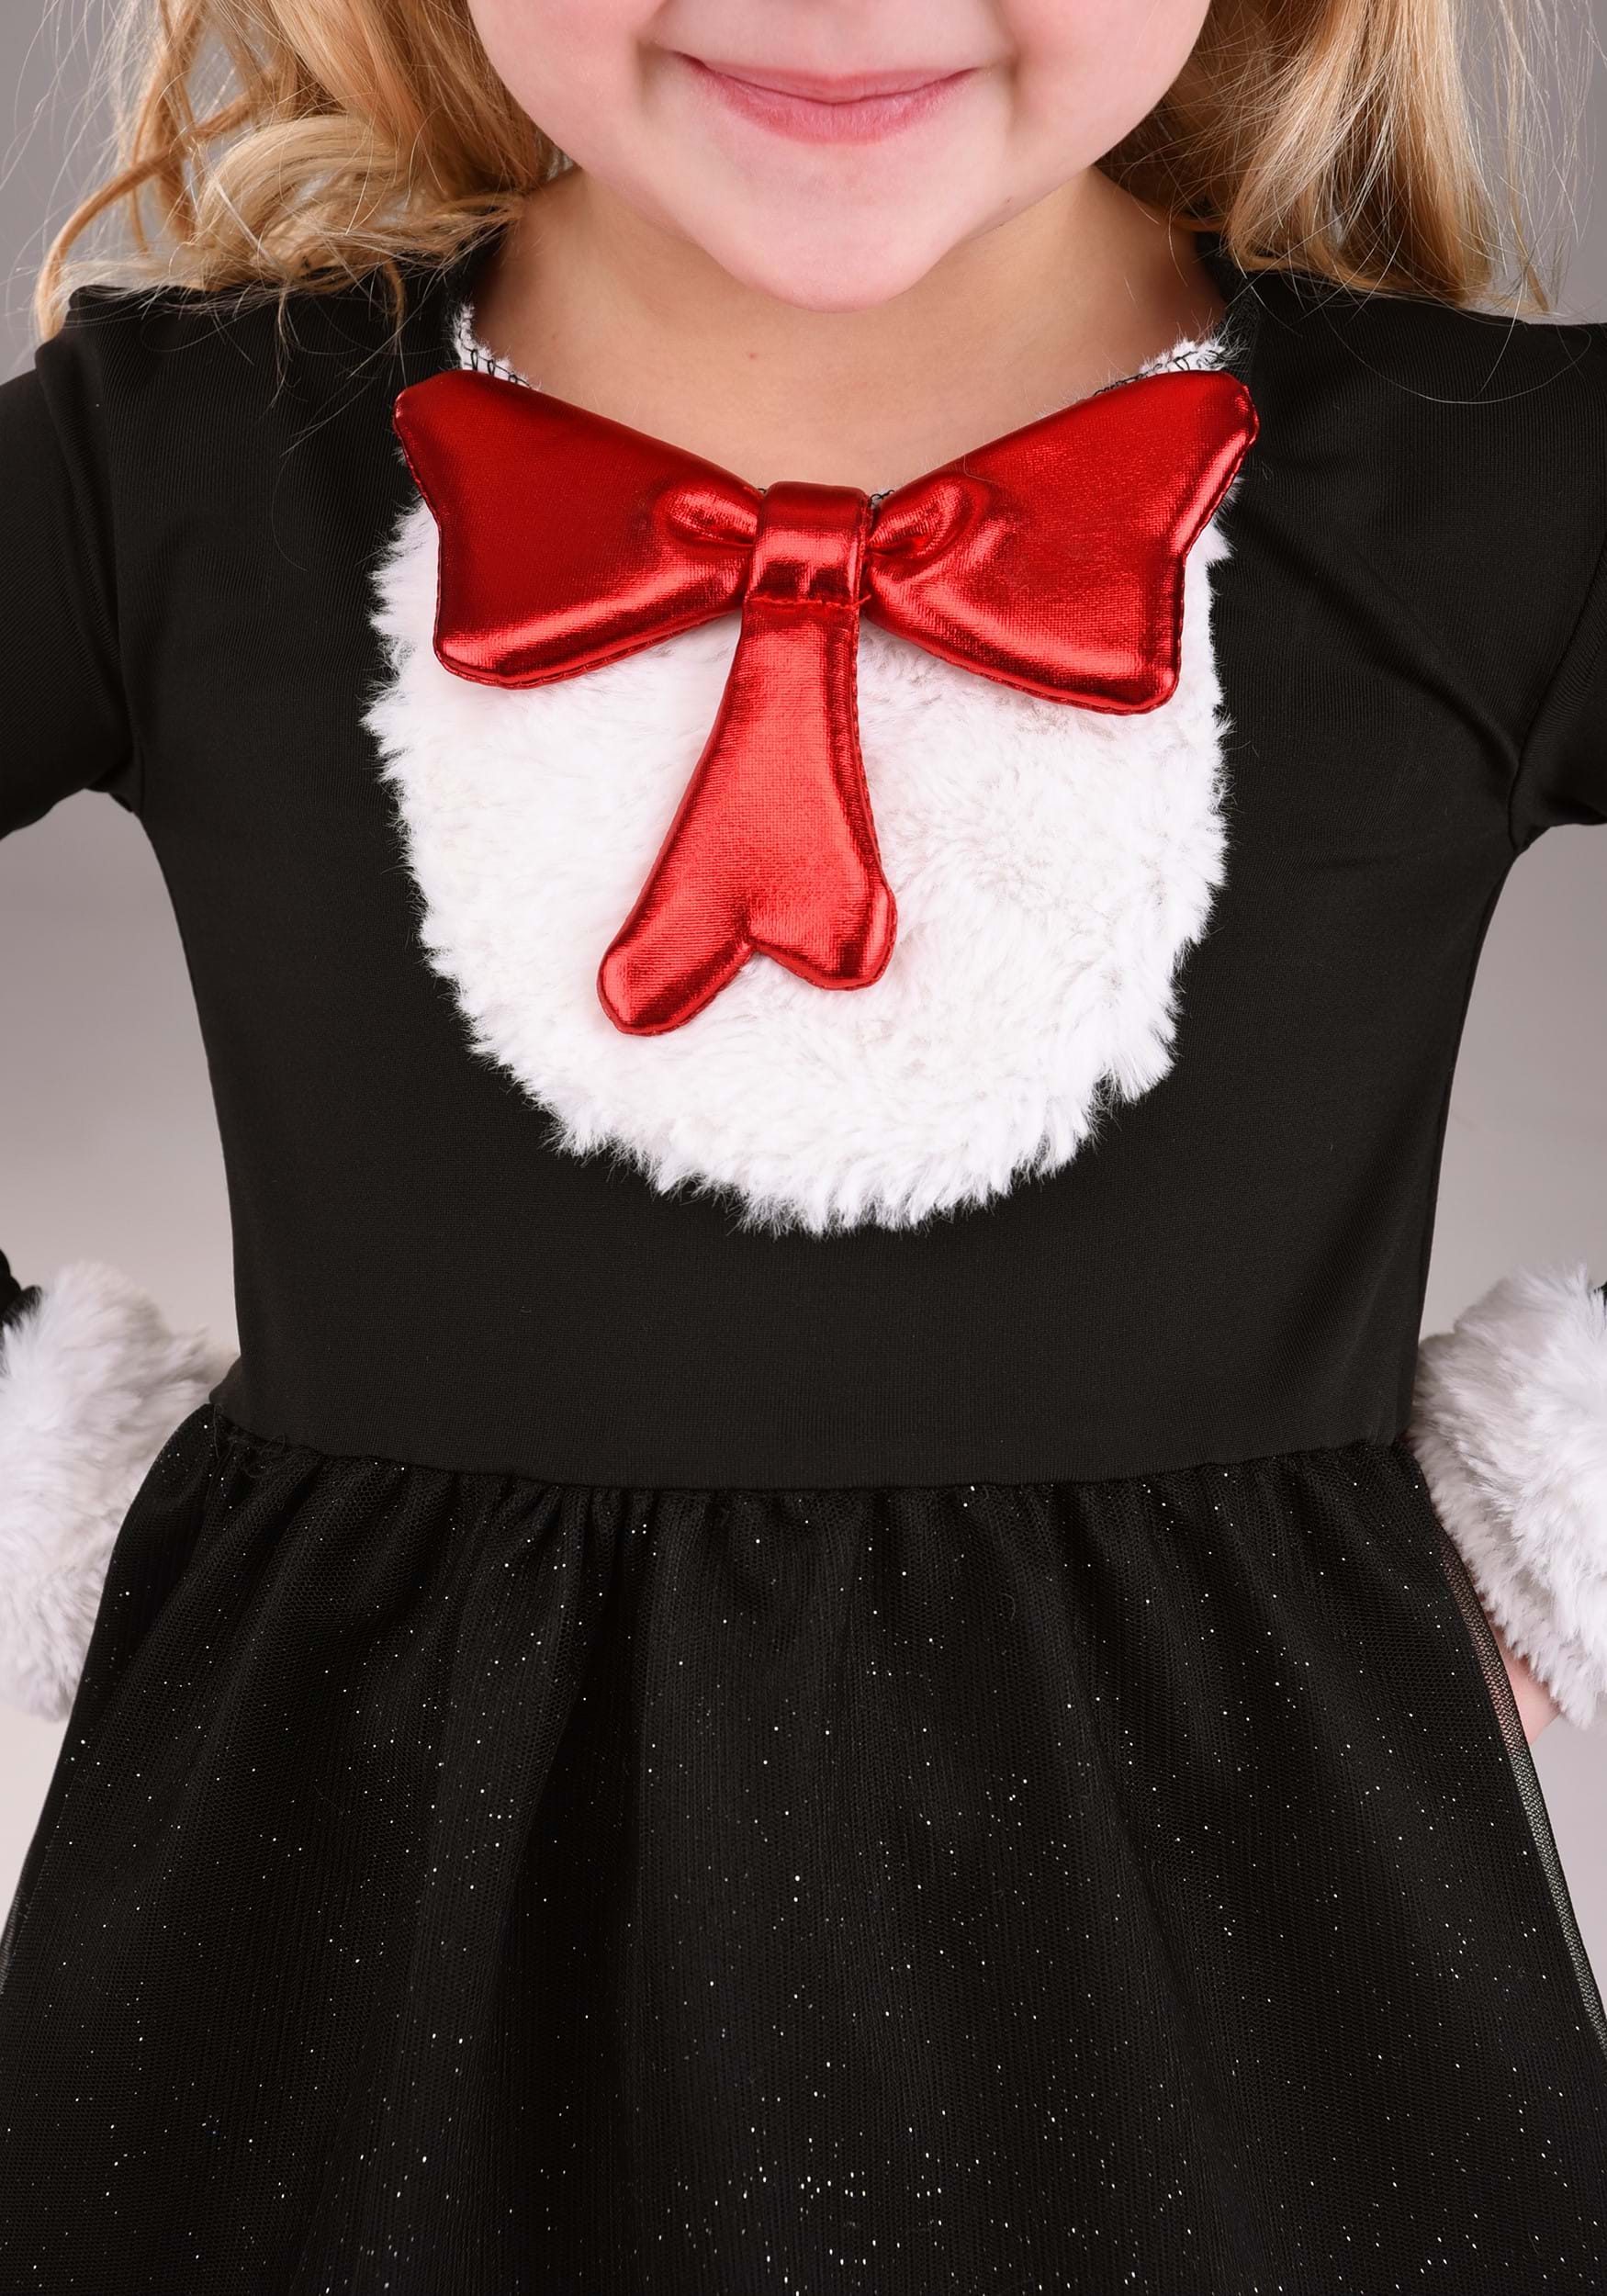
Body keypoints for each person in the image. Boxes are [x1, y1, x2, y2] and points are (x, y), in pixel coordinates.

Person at [1, 1, 1604, 2287]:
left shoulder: (1496, 483)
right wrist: (33, 1468)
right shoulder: (171, 465)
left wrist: (1568, 1491)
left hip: (1253, 2043)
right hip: (342, 2018)